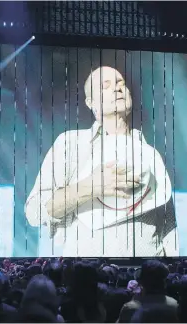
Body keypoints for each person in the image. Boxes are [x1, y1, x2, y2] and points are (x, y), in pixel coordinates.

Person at [25, 66, 177, 257]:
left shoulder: (149, 153)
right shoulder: (70, 144)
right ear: (90, 102)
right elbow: (34, 212)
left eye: (121, 84)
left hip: (146, 276)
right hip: (87, 276)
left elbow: (169, 225)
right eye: (105, 86)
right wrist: (89, 187)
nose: (117, 88)